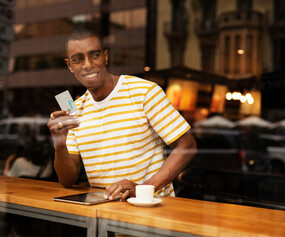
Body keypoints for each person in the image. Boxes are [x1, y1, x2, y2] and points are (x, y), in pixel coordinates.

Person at [47, 28, 197, 201]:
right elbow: (67, 180)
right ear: (70, 66)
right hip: (103, 217)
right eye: (78, 59)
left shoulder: (144, 92)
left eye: (94, 55)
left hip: (151, 213)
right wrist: (59, 145)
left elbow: (187, 145)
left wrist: (144, 189)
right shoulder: (74, 111)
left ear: (106, 57)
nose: (87, 64)